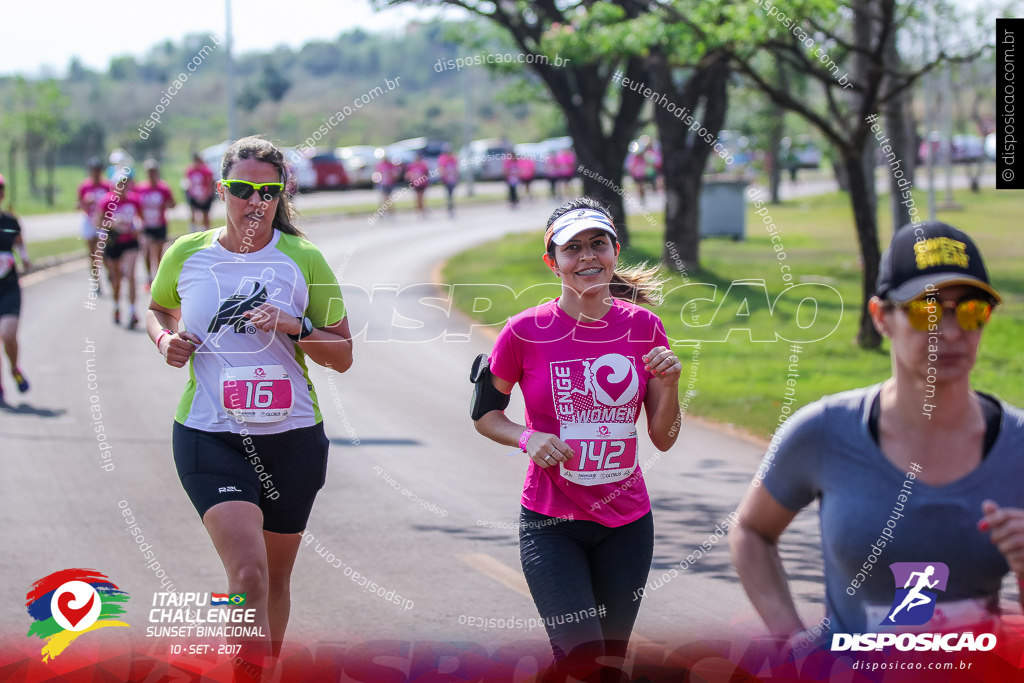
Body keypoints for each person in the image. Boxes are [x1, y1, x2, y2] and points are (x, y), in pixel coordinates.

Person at [730, 221, 1024, 654]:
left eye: (971, 311)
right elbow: (751, 530)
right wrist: (789, 639)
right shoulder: (825, 431)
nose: (953, 332)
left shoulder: (1015, 445)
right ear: (881, 317)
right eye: (927, 310)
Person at [146, 136, 353, 674]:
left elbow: (343, 353)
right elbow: (159, 309)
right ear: (221, 190)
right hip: (209, 433)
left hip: (292, 438)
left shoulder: (301, 257)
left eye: (268, 190)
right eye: (242, 189)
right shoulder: (187, 253)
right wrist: (165, 340)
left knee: (275, 581)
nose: (254, 201)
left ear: (281, 193)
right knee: (248, 575)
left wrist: (295, 325)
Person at [472, 197, 682, 678]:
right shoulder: (524, 331)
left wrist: (669, 388)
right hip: (551, 524)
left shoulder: (645, 327)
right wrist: (527, 438)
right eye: (573, 248)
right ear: (553, 262)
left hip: (627, 524)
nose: (588, 256)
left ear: (615, 250)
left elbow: (663, 438)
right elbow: (486, 414)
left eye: (598, 244)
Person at [94, 169, 142, 328]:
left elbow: (141, 220)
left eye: (125, 183)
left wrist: (137, 228)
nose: (122, 186)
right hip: (113, 242)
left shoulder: (134, 200)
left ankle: (133, 310)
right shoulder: (106, 201)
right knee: (116, 279)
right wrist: (114, 224)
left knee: (130, 274)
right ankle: (116, 306)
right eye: (119, 183)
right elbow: (98, 222)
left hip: (130, 242)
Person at [0, 174, 31, 402]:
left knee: (7, 334)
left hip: (9, 287)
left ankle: (14, 368)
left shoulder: (10, 221)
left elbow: (20, 245)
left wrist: (25, 259)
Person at [137, 160, 176, 288]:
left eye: (153, 172)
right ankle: (149, 277)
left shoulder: (163, 188)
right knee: (147, 250)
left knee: (158, 253)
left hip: (160, 224)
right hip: (146, 225)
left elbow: (173, 203)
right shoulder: (140, 188)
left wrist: (167, 204)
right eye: (149, 172)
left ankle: (158, 277)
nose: (151, 175)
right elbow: (135, 203)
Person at [78, 157, 111, 294]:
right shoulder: (84, 186)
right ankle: (96, 281)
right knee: (92, 254)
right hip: (89, 221)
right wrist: (86, 202)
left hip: (102, 223)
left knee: (102, 252)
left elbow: (112, 204)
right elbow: (78, 204)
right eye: (94, 170)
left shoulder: (107, 186)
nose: (96, 173)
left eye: (98, 170)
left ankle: (110, 271)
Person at [184, 153, 215, 233]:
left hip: (205, 195)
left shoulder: (206, 170)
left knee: (205, 215)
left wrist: (207, 195)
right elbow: (188, 183)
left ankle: (206, 231)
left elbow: (210, 183)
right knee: (193, 213)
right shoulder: (190, 170)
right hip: (194, 195)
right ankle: (193, 231)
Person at [373, 153, 399, 219]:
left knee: (388, 199)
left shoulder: (390, 165)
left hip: (389, 183)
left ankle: (390, 212)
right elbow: (377, 174)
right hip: (382, 184)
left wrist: (391, 176)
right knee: (383, 198)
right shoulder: (380, 165)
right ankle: (384, 212)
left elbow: (395, 174)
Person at [405, 153, 430, 219]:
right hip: (415, 184)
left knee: (421, 198)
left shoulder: (423, 165)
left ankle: (422, 211)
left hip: (422, 184)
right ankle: (419, 211)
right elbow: (408, 175)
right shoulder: (412, 166)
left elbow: (426, 173)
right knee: (417, 198)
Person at [437, 145, 459, 218]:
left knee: (451, 194)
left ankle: (451, 206)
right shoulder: (443, 158)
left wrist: (456, 176)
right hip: (446, 179)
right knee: (449, 194)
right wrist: (444, 177)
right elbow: (441, 168)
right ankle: (450, 207)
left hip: (452, 179)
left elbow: (456, 168)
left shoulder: (453, 158)